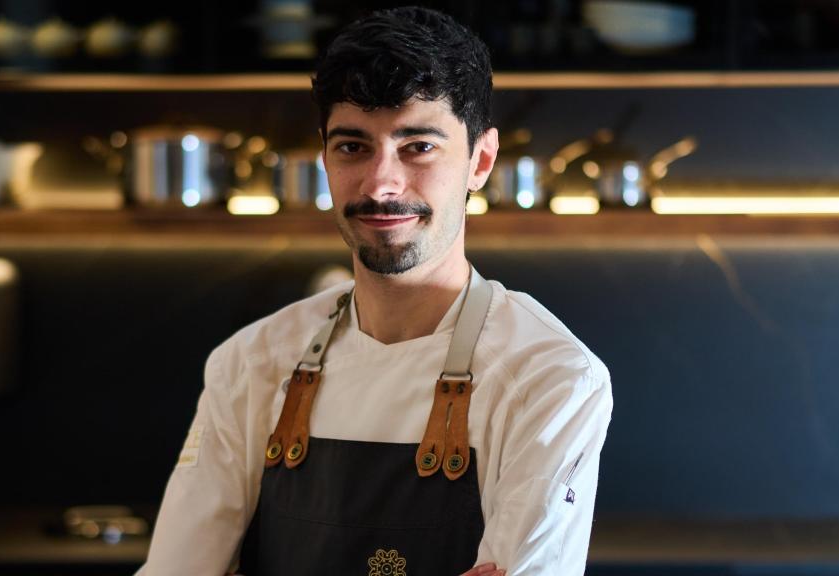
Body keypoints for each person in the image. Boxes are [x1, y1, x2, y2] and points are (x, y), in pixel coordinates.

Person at [137, 6, 612, 576]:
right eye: (352, 147)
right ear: (325, 158)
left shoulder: (549, 376)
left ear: (480, 161)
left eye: (419, 146)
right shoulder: (250, 363)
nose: (381, 185)